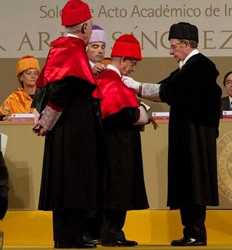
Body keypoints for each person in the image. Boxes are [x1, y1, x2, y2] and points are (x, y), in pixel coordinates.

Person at [122, 22, 222, 246]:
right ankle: (191, 232)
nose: (171, 51)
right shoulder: (187, 68)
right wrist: (139, 88)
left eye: (174, 46)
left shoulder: (200, 66)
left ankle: (196, 233)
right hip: (188, 133)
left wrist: (135, 85)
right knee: (186, 181)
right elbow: (164, 89)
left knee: (194, 182)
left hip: (195, 134)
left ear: (186, 44)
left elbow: (166, 91)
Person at [32, 0, 103, 248]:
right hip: (74, 128)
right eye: (91, 23)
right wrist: (47, 121)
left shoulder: (58, 48)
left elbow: (46, 85)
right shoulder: (73, 49)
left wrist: (43, 118)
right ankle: (72, 237)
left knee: (62, 180)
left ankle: (64, 236)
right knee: (74, 179)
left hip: (63, 127)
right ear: (84, 26)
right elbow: (61, 89)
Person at [95, 34, 149, 247]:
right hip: (117, 145)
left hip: (114, 143)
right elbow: (122, 114)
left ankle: (109, 232)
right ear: (123, 59)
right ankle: (112, 233)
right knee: (117, 187)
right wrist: (143, 113)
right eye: (133, 63)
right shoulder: (111, 80)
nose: (133, 68)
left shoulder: (110, 79)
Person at [0, 55, 40, 120]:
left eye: (36, 73)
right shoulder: (14, 99)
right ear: (21, 77)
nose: (33, 76)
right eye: (28, 73)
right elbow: (2, 117)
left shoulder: (45, 96)